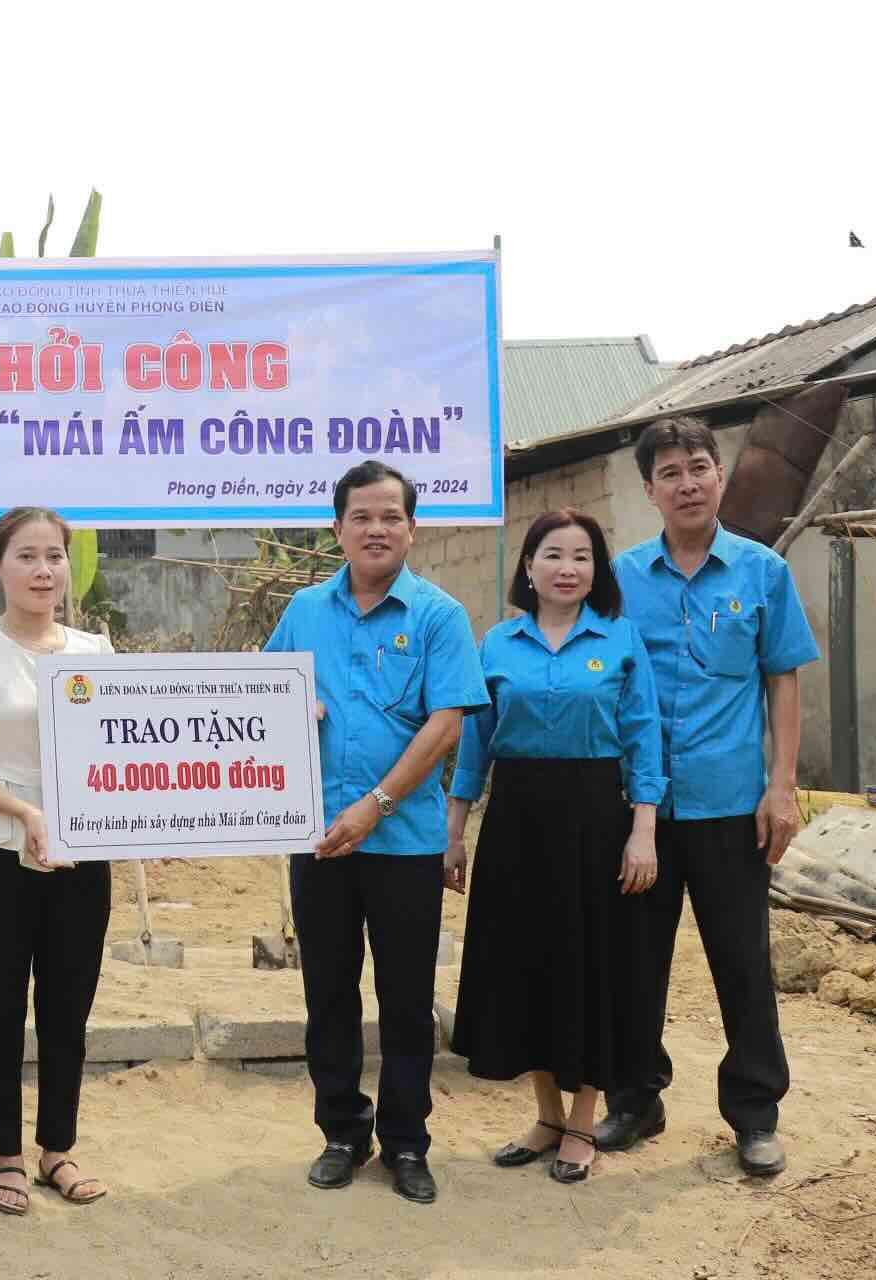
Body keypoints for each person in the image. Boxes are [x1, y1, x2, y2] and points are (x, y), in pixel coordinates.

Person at [594, 418, 819, 1177]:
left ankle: (754, 1114)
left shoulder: (761, 573)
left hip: (730, 805)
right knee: (633, 960)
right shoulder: (620, 580)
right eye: (670, 473)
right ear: (648, 489)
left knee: (742, 963)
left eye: (699, 467)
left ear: (718, 476)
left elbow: (782, 677)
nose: (687, 483)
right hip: (641, 813)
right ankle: (635, 1099)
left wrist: (780, 787)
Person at [263, 459, 486, 1205]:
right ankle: (341, 1131)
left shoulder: (438, 616)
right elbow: (260, 702)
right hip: (318, 839)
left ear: (412, 528)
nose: (377, 529)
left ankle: (405, 1142)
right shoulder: (304, 611)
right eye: (361, 516)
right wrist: (294, 714)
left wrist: (376, 806)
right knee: (328, 993)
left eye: (391, 516)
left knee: (406, 998)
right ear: (338, 529)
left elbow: (445, 723)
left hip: (404, 843)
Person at [445, 508, 664, 1183]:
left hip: (595, 819)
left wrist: (644, 831)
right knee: (523, 963)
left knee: (588, 966)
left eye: (582, 557)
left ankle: (582, 1121)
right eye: (554, 555)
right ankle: (545, 1115)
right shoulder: (497, 645)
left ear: (595, 572)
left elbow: (643, 737)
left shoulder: (620, 640)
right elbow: (473, 746)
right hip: (514, 821)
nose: (568, 568)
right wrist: (454, 832)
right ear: (529, 568)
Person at [0, 506, 114, 1216]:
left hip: (80, 855)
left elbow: (122, 753)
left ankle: (57, 1149)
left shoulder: (95, 652)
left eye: (54, 557)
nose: (43, 570)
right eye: (27, 556)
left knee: (69, 1005)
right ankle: (5, 1155)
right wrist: (25, 812)